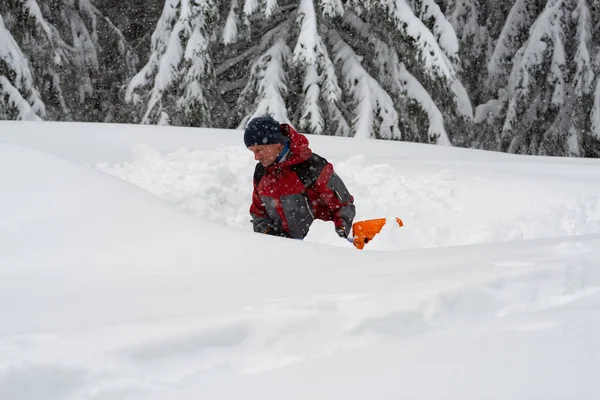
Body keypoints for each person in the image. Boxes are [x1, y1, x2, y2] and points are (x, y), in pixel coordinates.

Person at [245, 115, 356, 240]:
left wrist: (337, 234)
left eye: (259, 150)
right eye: (252, 151)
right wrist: (269, 234)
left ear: (276, 143)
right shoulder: (261, 172)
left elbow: (344, 206)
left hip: (318, 250)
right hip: (279, 252)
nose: (256, 157)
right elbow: (258, 213)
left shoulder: (313, 167)